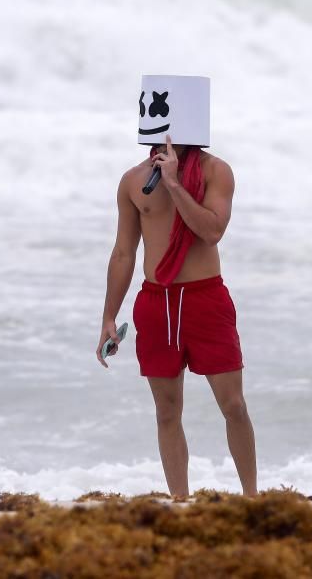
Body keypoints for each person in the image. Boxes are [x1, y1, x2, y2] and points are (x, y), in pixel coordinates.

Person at [96, 132, 256, 497]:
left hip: (206, 299)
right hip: (156, 304)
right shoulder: (134, 181)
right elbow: (123, 252)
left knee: (233, 405)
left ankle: (252, 499)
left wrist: (174, 182)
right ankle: (180, 501)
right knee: (167, 411)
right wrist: (109, 316)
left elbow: (212, 230)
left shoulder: (217, 172)